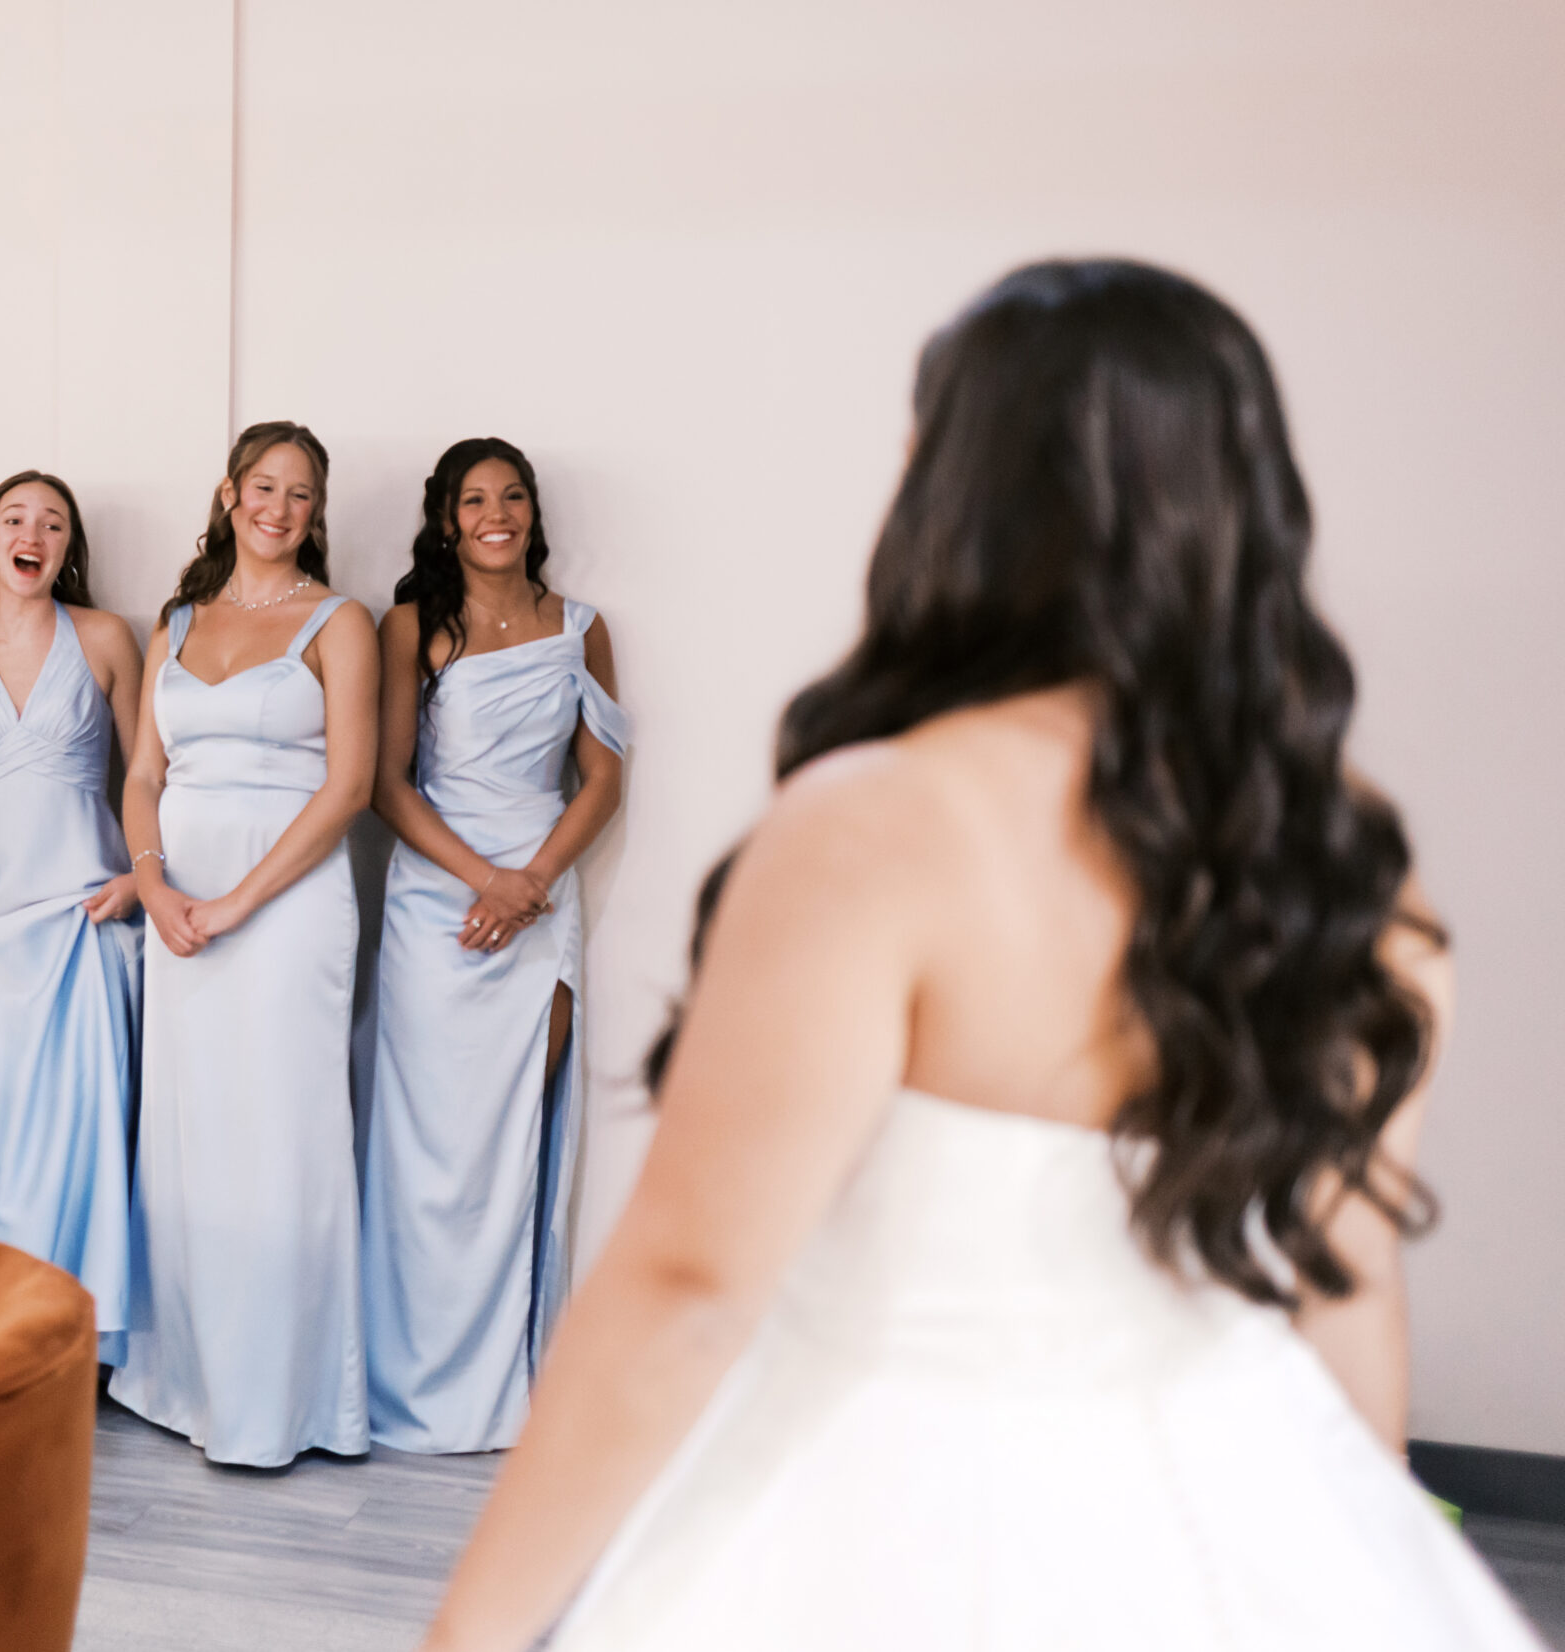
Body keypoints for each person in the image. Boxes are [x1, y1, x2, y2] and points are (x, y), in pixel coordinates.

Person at [423, 260, 1543, 1651]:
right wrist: (1356, 1563)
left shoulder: (879, 822)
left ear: (961, 490)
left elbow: (688, 1292)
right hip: (1239, 1528)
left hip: (883, 1533)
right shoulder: (1350, 855)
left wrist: (462, 1642)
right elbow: (1348, 1290)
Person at [110, 421, 378, 1466]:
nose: (278, 506)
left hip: (290, 908)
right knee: (192, 1135)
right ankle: (189, 1381)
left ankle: (282, 1399)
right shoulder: (174, 623)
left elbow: (348, 786)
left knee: (279, 1137)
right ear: (228, 494)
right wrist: (153, 882)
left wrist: (234, 904)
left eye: (299, 494)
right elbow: (142, 776)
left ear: (315, 513)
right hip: (179, 912)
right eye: (263, 486)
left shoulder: (340, 621)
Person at [361, 438, 626, 1455]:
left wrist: (534, 882)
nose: (495, 512)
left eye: (511, 495)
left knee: (514, 1136)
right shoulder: (407, 626)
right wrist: (488, 880)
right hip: (438, 902)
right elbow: (388, 783)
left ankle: (499, 1388)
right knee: (428, 1146)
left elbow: (601, 778)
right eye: (474, 499)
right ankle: (409, 1379)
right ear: (445, 519)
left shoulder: (581, 629)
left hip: (537, 902)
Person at [0, 471, 146, 1360]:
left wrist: (142, 877)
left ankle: (75, 1339)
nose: (33, 534)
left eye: (52, 525)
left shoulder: (105, 638)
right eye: (15, 519)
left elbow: (146, 772)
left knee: (79, 1128)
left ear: (67, 550)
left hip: (83, 909)